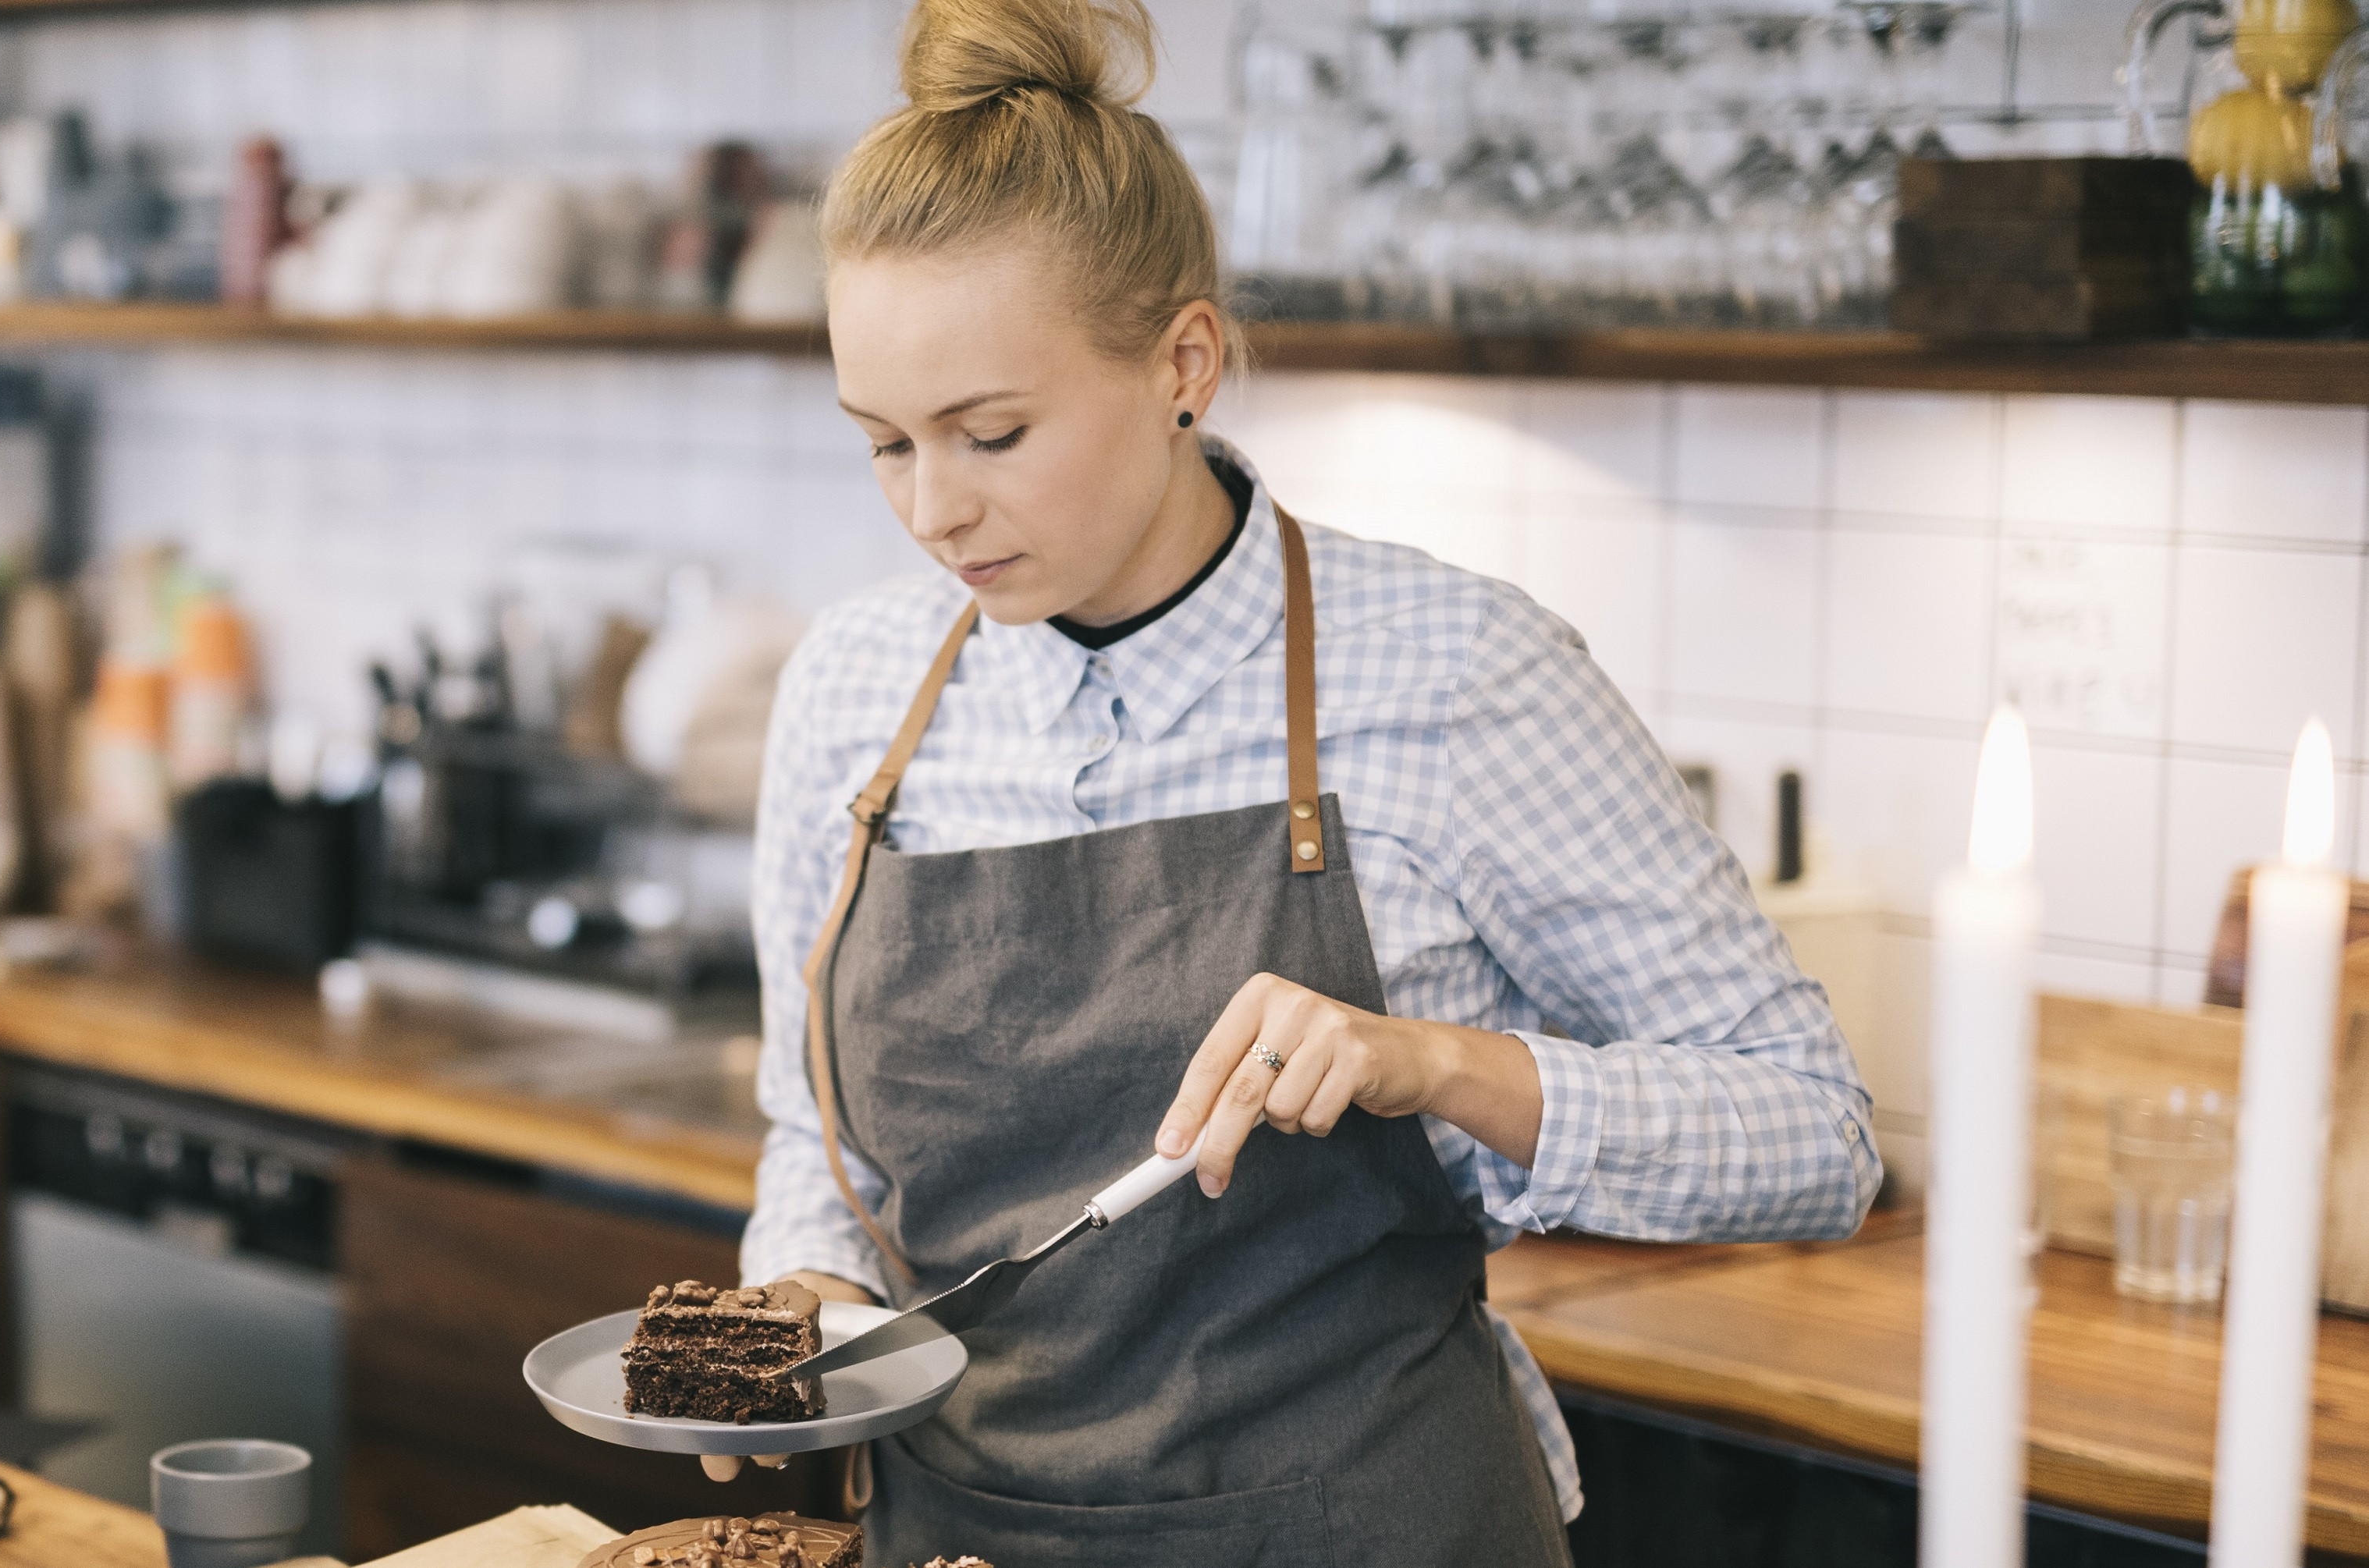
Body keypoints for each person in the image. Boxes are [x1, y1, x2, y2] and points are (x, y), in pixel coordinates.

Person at [712, 0, 1881, 1561]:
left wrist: (1436, 1066)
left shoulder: (1458, 675)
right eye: (882, 443)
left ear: (1181, 361)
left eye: (989, 433)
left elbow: (1813, 1140)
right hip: (959, 1532)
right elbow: (821, 1142)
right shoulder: (852, 693)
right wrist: (807, 1300)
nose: (931, 508)